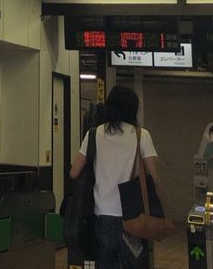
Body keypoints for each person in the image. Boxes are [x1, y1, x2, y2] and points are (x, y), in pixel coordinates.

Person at [69, 86, 161, 269]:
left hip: (102, 218)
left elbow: (74, 172)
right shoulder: (141, 135)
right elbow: (154, 176)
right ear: (133, 109)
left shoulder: (94, 134)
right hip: (133, 219)